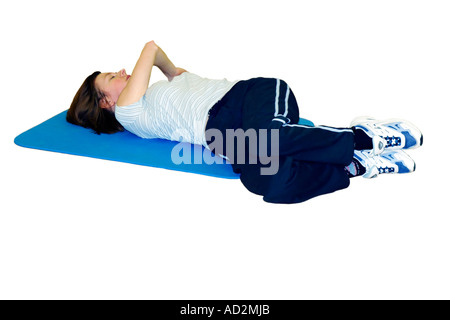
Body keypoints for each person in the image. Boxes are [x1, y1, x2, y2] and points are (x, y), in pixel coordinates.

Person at [67, 41, 423, 204]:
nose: (124, 72)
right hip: (221, 137)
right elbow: (150, 48)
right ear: (105, 102)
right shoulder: (129, 112)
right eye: (113, 76)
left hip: (249, 98)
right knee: (266, 184)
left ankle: (363, 136)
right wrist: (169, 69)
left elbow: (156, 55)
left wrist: (173, 73)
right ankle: (353, 167)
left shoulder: (152, 92)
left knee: (268, 137)